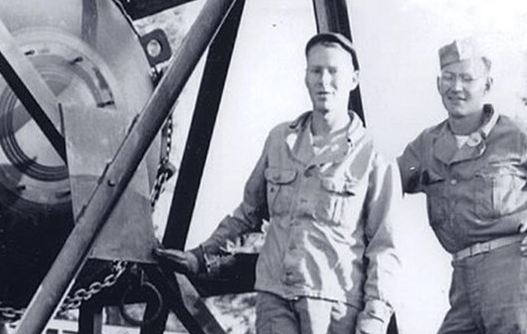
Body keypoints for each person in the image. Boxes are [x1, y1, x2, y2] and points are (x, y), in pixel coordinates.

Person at [156, 32, 400, 334]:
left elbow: (385, 248)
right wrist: (200, 257)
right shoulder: (281, 140)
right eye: (316, 71)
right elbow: (248, 214)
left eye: (334, 71)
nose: (324, 81)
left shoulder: (373, 154)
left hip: (334, 306)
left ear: (354, 79)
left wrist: (375, 319)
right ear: (306, 78)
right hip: (275, 299)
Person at [398, 38, 527, 333]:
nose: (456, 87)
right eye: (449, 77)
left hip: (513, 275)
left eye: (467, 78)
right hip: (462, 282)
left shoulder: (517, 134)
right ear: (438, 84)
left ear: (487, 85)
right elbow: (383, 182)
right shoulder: (426, 146)